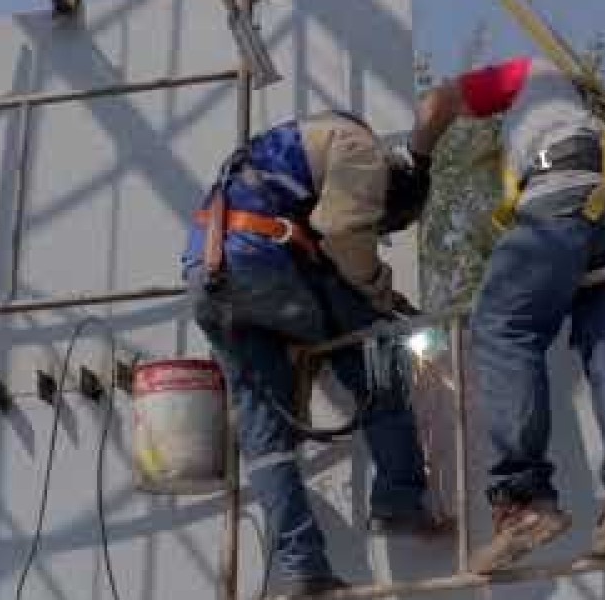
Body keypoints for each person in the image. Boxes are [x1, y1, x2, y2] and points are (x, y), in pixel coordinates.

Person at [408, 56, 605, 573]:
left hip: (566, 192)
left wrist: (414, 160)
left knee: (501, 327)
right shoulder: (592, 115)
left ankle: (523, 502)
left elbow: (442, 99)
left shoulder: (530, 73)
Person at [181, 110, 442, 596]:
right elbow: (343, 235)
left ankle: (301, 567)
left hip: (209, 282)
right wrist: (380, 295)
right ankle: (400, 499)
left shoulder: (284, 150)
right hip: (260, 265)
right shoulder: (360, 147)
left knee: (265, 439)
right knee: (376, 353)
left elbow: (318, 236)